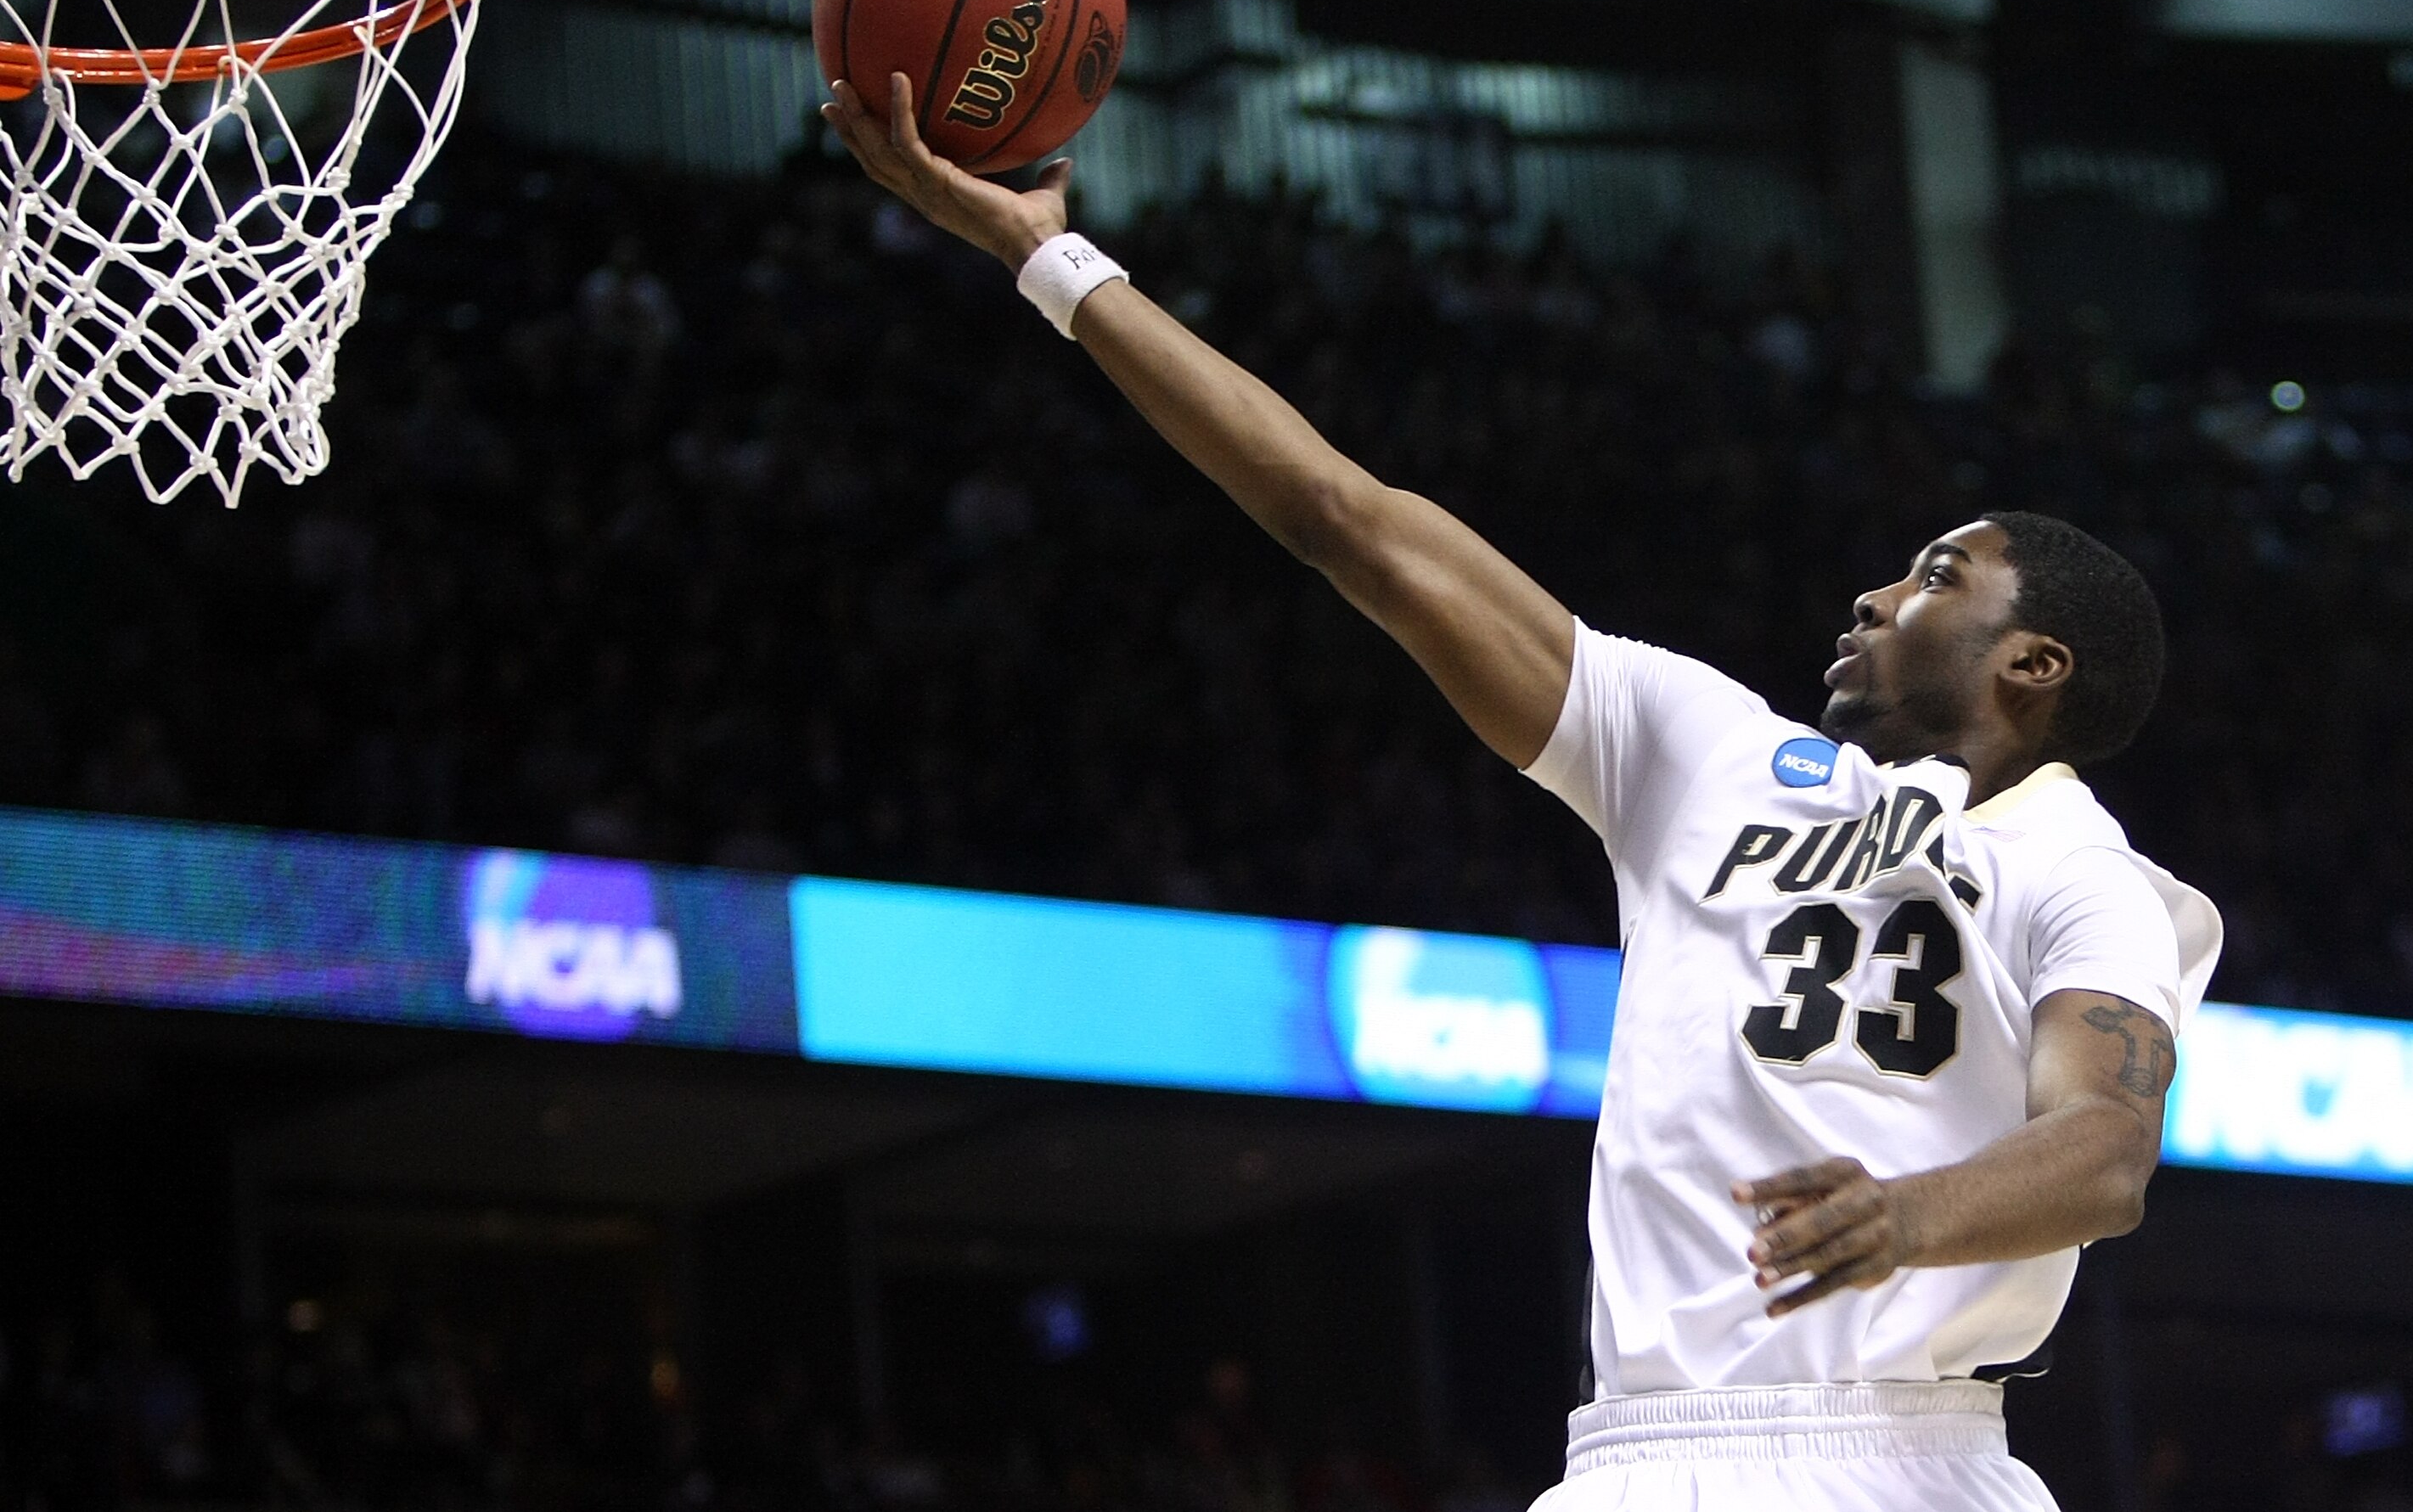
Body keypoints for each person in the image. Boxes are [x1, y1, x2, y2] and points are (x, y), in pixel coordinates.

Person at [823, 75, 2219, 1512]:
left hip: (1906, 1451)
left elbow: (2106, 1155)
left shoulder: (2089, 878)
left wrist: (1899, 1217)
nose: (1872, 595)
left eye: (1935, 579)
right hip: (1641, 1455)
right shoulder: (1703, 750)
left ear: (2036, 662)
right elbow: (1347, 522)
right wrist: (1052, 264)